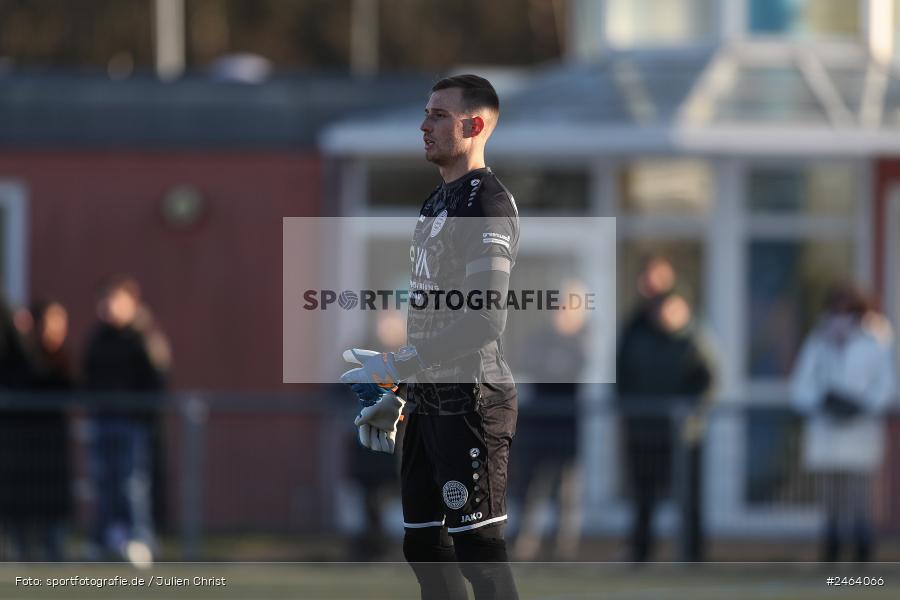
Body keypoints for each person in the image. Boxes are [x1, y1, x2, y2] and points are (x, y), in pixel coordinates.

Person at [340, 75, 520, 600]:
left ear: (476, 125)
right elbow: (433, 319)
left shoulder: (486, 203)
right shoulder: (435, 203)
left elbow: (485, 319)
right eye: (426, 113)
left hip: (473, 401)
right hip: (429, 400)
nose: (424, 125)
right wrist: (400, 390)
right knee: (423, 549)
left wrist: (397, 366)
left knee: (479, 557)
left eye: (439, 115)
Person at [790, 282, 895, 562]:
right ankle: (831, 553)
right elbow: (801, 385)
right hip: (827, 429)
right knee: (832, 499)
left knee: (860, 496)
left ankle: (862, 555)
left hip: (860, 430)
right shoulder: (818, 341)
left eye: (847, 309)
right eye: (836, 309)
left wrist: (860, 406)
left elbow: (886, 386)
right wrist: (822, 402)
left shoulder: (875, 341)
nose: (841, 316)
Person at [616, 280, 715, 562]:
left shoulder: (695, 341)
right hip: (645, 432)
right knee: (644, 499)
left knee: (689, 500)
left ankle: (692, 555)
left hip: (684, 436)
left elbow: (709, 382)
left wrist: (689, 412)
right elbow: (623, 380)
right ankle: (641, 553)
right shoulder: (638, 339)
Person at [83, 276, 168, 566]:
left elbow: (157, 380)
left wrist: (142, 414)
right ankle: (106, 537)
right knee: (105, 482)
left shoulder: (143, 337)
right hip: (103, 419)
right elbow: (89, 377)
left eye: (115, 300)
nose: (108, 307)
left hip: (133, 422)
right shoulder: (97, 339)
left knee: (133, 483)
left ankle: (140, 539)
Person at [513, 281, 587, 561]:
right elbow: (532, 363)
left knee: (567, 494)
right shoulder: (540, 337)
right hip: (538, 427)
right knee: (532, 491)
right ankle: (523, 546)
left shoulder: (582, 340)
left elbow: (570, 367)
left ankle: (563, 551)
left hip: (568, 428)